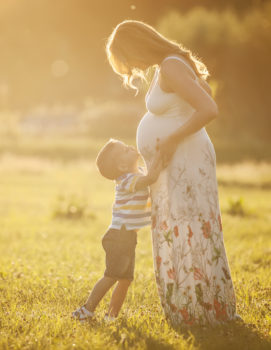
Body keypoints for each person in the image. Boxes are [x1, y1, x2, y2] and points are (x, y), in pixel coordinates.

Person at [106, 20, 238, 326]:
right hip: (176, 162)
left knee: (190, 228)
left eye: (129, 59)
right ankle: (192, 306)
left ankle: (204, 309)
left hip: (187, 160)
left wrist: (170, 138)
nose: (133, 68)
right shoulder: (168, 66)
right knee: (180, 228)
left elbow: (209, 108)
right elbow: (197, 96)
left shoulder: (171, 66)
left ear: (138, 46)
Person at [72, 139, 162, 321]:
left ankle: (111, 316)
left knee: (125, 280)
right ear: (122, 165)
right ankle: (86, 310)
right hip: (118, 237)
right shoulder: (127, 180)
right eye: (125, 150)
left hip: (127, 238)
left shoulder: (138, 173)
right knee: (112, 276)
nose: (131, 147)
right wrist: (161, 151)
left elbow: (149, 173)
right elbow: (152, 178)